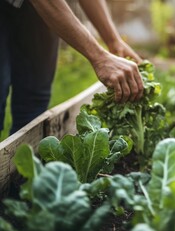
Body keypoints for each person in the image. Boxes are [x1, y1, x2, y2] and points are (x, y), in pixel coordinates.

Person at [0, 0, 144, 135]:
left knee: (34, 100)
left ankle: (22, 158)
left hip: (37, 11)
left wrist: (113, 41)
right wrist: (100, 58)